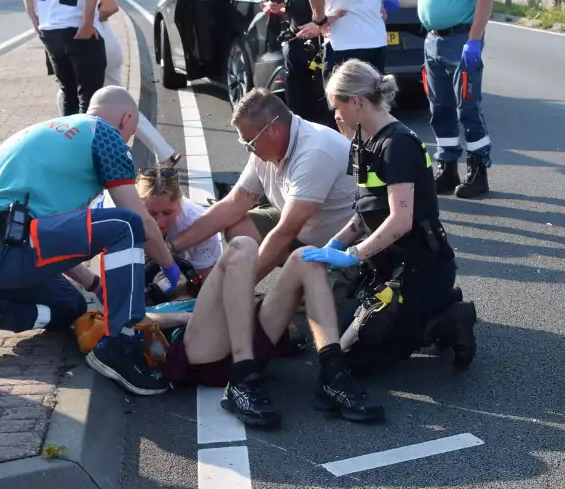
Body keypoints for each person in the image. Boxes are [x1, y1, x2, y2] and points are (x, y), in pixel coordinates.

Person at [0, 87, 182, 399]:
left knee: (71, 307)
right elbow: (141, 220)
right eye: (130, 134)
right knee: (125, 224)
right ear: (127, 119)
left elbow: (63, 238)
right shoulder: (105, 136)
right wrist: (171, 270)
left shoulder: (54, 135)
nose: (127, 142)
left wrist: (95, 285)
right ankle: (120, 343)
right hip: (4, 247)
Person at [303, 59, 477, 375]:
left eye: (337, 107)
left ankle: (448, 318)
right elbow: (365, 212)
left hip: (420, 269)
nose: (335, 116)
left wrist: (353, 255)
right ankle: (423, 313)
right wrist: (336, 244)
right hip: (388, 266)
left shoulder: (397, 146)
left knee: (360, 361)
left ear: (355, 101)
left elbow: (400, 220)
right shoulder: (366, 141)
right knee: (339, 345)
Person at [162, 236, 385, 428]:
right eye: (153, 213)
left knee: (307, 255)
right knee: (243, 244)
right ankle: (242, 378)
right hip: (203, 347)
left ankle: (333, 376)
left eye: (165, 213)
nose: (160, 219)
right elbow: (135, 319)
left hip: (246, 332)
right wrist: (183, 316)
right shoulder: (144, 265)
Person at [169, 88, 356, 284]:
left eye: (250, 142)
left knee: (272, 309)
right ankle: (295, 277)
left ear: (274, 129)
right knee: (239, 229)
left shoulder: (315, 153)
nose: (247, 149)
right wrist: (173, 246)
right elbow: (233, 204)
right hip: (303, 228)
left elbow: (285, 231)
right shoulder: (264, 151)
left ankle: (310, 281)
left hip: (335, 244)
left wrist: (236, 291)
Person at [382, 0, 495, 199]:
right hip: (432, 42)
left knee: (467, 107)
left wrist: (474, 39)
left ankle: (478, 171)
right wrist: (398, 2)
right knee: (439, 108)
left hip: (459, 40)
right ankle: (447, 169)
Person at [49, 0, 181, 166]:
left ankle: (77, 146)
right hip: (102, 41)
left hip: (93, 43)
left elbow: (110, 5)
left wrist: (88, 21)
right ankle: (165, 152)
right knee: (76, 95)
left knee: (76, 95)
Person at [270, 0, 325, 124]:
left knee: (329, 104)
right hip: (297, 37)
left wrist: (320, 24)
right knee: (296, 105)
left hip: (328, 37)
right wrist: (276, 2)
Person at [133, 166, 221, 278]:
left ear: (179, 203)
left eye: (167, 213)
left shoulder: (194, 221)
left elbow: (208, 281)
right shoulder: (120, 209)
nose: (159, 223)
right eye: (151, 213)